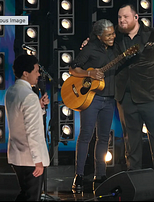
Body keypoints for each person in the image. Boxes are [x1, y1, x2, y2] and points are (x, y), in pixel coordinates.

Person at [82, 4, 154, 189]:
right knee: (131, 138)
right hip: (126, 95)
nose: (122, 21)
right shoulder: (115, 37)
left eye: (125, 17)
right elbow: (98, 43)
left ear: (136, 17)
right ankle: (134, 174)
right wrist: (89, 43)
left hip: (151, 94)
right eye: (120, 18)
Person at [69, 19, 117, 193]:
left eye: (113, 33)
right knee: (86, 136)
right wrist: (89, 73)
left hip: (109, 99)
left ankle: (100, 175)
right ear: (99, 36)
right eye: (108, 34)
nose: (112, 36)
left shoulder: (115, 47)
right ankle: (79, 175)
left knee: (104, 138)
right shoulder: (89, 48)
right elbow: (73, 69)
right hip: (91, 98)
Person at [5, 54, 50, 201]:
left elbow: (19, 117)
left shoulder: (11, 92)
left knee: (24, 195)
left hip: (17, 155)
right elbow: (33, 131)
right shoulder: (29, 96)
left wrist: (39, 106)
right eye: (36, 71)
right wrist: (38, 161)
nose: (38, 74)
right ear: (26, 73)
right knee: (31, 197)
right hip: (30, 159)